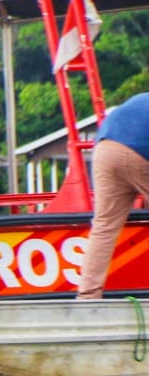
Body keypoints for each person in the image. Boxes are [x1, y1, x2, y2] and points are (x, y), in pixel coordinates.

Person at [77, 92, 149, 299]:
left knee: (104, 226)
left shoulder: (141, 99)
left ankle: (87, 295)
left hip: (105, 149)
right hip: (140, 151)